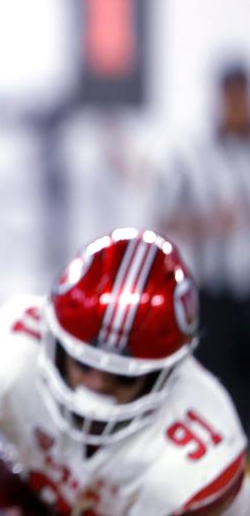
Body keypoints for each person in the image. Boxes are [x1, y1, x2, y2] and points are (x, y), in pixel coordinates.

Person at [0, 228, 249, 515]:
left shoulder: (196, 458)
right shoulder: (18, 349)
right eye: (82, 363)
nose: (95, 387)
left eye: (123, 377)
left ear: (165, 372)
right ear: (54, 337)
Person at [154, 61, 250, 433]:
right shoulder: (192, 156)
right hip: (215, 295)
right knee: (218, 383)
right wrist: (212, 222)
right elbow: (166, 217)